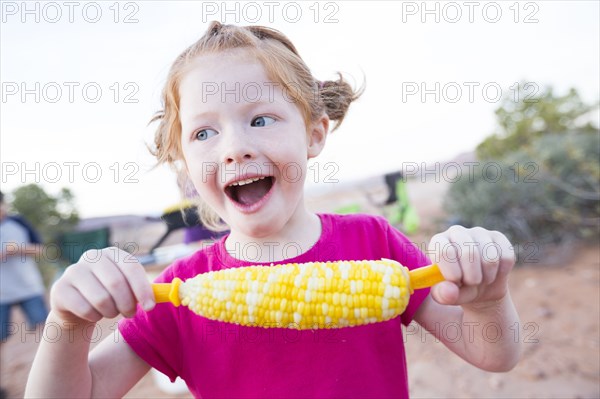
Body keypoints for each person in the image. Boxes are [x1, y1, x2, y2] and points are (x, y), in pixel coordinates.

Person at [25, 22, 521, 398]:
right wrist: (68, 324)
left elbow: (493, 354)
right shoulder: (173, 294)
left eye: (261, 118)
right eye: (204, 132)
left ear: (314, 134)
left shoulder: (375, 244)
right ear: (184, 167)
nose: (235, 148)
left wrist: (485, 299)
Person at [0, 190, 48, 398]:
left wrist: (19, 249)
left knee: (47, 332)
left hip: (28, 288)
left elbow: (41, 250)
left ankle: (51, 377)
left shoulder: (19, 223)